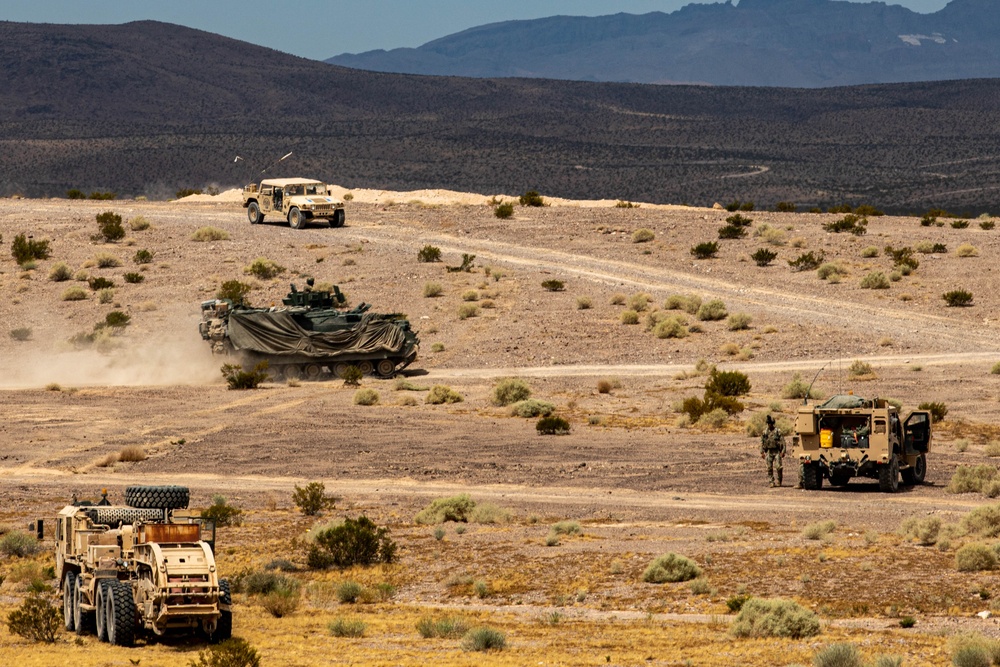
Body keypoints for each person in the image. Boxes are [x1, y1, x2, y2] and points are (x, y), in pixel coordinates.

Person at [760, 415, 785, 487]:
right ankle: (771, 482)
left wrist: (783, 451)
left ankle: (779, 480)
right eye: (768, 423)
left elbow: (783, 441)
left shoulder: (777, 431)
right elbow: (761, 442)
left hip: (777, 451)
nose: (769, 425)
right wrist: (762, 452)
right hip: (769, 451)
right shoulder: (765, 432)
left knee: (778, 467)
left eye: (770, 423)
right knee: (769, 467)